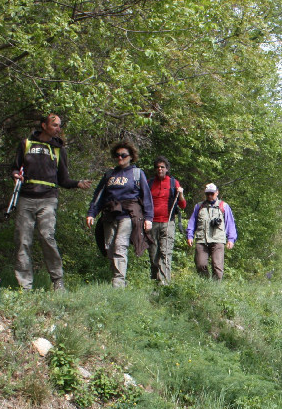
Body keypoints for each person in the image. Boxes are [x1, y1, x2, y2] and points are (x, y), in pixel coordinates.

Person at [11, 113, 92, 291]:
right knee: (23, 241)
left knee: (47, 237)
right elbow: (15, 167)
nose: (58, 129)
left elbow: (63, 179)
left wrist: (78, 184)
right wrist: (16, 174)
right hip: (26, 198)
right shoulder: (26, 144)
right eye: (55, 125)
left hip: (48, 199)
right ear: (44, 126)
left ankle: (57, 281)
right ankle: (24, 286)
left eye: (59, 125)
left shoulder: (58, 150)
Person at [85, 141, 154, 288]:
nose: (120, 158)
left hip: (128, 215)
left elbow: (147, 197)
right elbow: (99, 196)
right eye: (117, 155)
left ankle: (118, 282)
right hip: (110, 215)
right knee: (109, 246)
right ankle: (117, 277)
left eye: (123, 155)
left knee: (120, 245)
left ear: (131, 157)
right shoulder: (109, 174)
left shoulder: (137, 173)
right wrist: (91, 213)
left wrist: (148, 218)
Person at [147, 157, 187, 285]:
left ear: (167, 169)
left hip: (168, 222)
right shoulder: (149, 183)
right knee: (153, 254)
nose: (159, 169)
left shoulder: (173, 183)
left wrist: (180, 193)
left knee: (165, 253)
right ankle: (155, 283)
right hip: (152, 223)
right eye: (157, 167)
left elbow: (183, 205)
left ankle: (164, 283)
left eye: (162, 167)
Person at [186, 183, 237, 280]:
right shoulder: (199, 207)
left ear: (217, 193)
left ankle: (215, 288)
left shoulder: (224, 206)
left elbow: (230, 223)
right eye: (207, 194)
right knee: (200, 264)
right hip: (202, 240)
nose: (209, 196)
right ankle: (205, 284)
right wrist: (190, 236)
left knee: (217, 266)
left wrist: (231, 239)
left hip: (218, 240)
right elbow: (192, 222)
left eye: (212, 194)